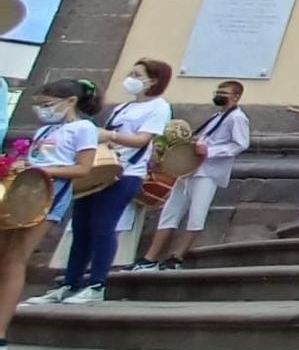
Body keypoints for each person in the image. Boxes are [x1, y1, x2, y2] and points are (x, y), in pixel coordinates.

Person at [33, 59, 171, 305]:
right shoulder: (123, 107)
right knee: (81, 228)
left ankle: (97, 284)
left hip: (127, 173)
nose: (131, 78)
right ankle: (69, 283)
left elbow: (142, 140)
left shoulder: (158, 107)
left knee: (103, 226)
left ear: (154, 80)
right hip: (100, 170)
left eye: (137, 74)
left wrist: (112, 135)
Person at [1, 78, 102, 350]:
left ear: (70, 102)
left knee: (15, 258)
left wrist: (46, 172)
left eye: (47, 105)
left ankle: (1, 332)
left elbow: (82, 169)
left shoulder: (83, 128)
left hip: (49, 193)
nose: (43, 111)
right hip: (22, 190)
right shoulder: (46, 128)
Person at [133, 81, 251, 271]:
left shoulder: (237, 118)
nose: (219, 94)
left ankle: (177, 257)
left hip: (207, 173)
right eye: (218, 91)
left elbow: (240, 144)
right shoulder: (217, 116)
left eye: (224, 92)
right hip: (189, 170)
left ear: (236, 97)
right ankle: (150, 258)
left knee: (197, 214)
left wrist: (209, 151)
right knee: (170, 212)